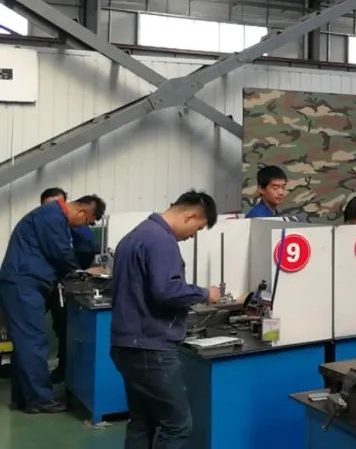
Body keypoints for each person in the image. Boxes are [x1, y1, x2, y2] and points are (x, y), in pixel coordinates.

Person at [110, 191, 222, 449]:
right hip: (151, 348)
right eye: (198, 228)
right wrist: (206, 294)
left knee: (142, 421)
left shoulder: (135, 235)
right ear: (190, 216)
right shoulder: (162, 241)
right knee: (177, 425)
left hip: (126, 344)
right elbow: (167, 290)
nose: (193, 235)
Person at [0, 194, 106, 413]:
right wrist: (83, 272)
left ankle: (24, 398)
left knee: (24, 342)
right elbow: (61, 253)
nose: (84, 227)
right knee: (34, 341)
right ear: (82, 212)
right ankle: (40, 399)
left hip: (24, 283)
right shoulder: (53, 217)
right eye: (87, 222)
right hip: (24, 284)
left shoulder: (53, 217)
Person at [39, 187, 101, 384]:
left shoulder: (78, 227)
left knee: (64, 327)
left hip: (63, 284)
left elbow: (87, 250)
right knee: (30, 328)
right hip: (41, 282)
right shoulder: (40, 224)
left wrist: (77, 272)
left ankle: (64, 369)